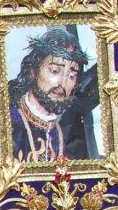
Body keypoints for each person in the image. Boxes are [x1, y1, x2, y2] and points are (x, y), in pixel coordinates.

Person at [7, 26, 97, 163]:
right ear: (33, 70)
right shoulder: (9, 120)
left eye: (71, 75)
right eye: (55, 70)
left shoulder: (64, 133)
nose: (62, 83)